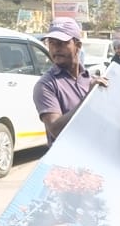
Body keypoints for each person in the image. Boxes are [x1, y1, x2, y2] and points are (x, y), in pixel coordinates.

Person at [32, 17, 106, 145]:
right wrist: (88, 98)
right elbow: (56, 129)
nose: (55, 49)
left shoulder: (92, 81)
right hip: (67, 163)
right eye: (51, 43)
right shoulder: (46, 85)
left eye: (61, 43)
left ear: (78, 46)